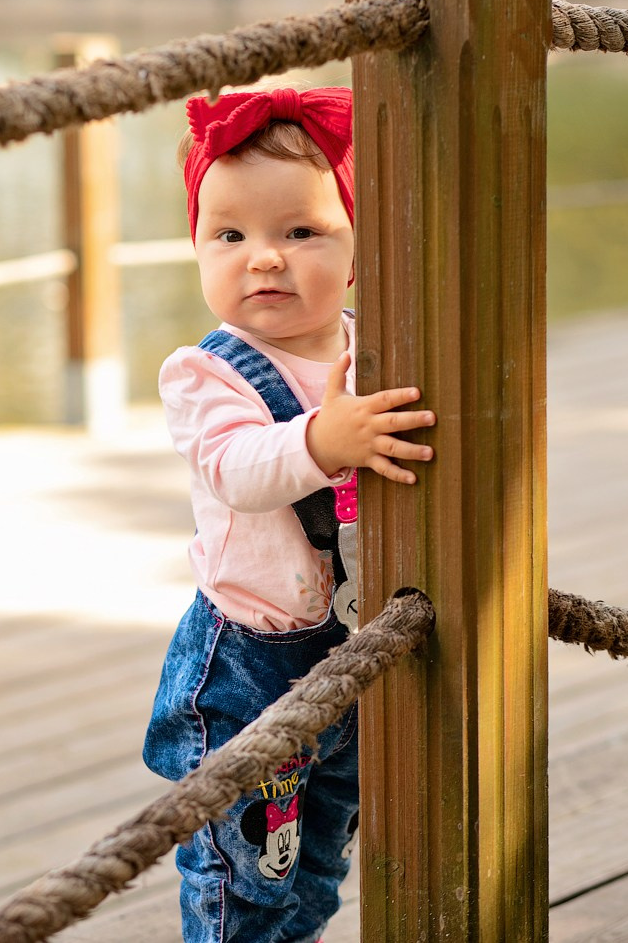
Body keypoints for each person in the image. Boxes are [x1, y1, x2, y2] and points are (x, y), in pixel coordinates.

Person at [143, 85, 435, 943]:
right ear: (196, 248)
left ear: (358, 249)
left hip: (349, 655)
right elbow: (238, 469)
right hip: (248, 664)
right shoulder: (206, 374)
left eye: (300, 232)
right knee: (243, 878)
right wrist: (323, 437)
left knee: (315, 867)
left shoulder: (374, 345)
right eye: (229, 235)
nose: (263, 258)